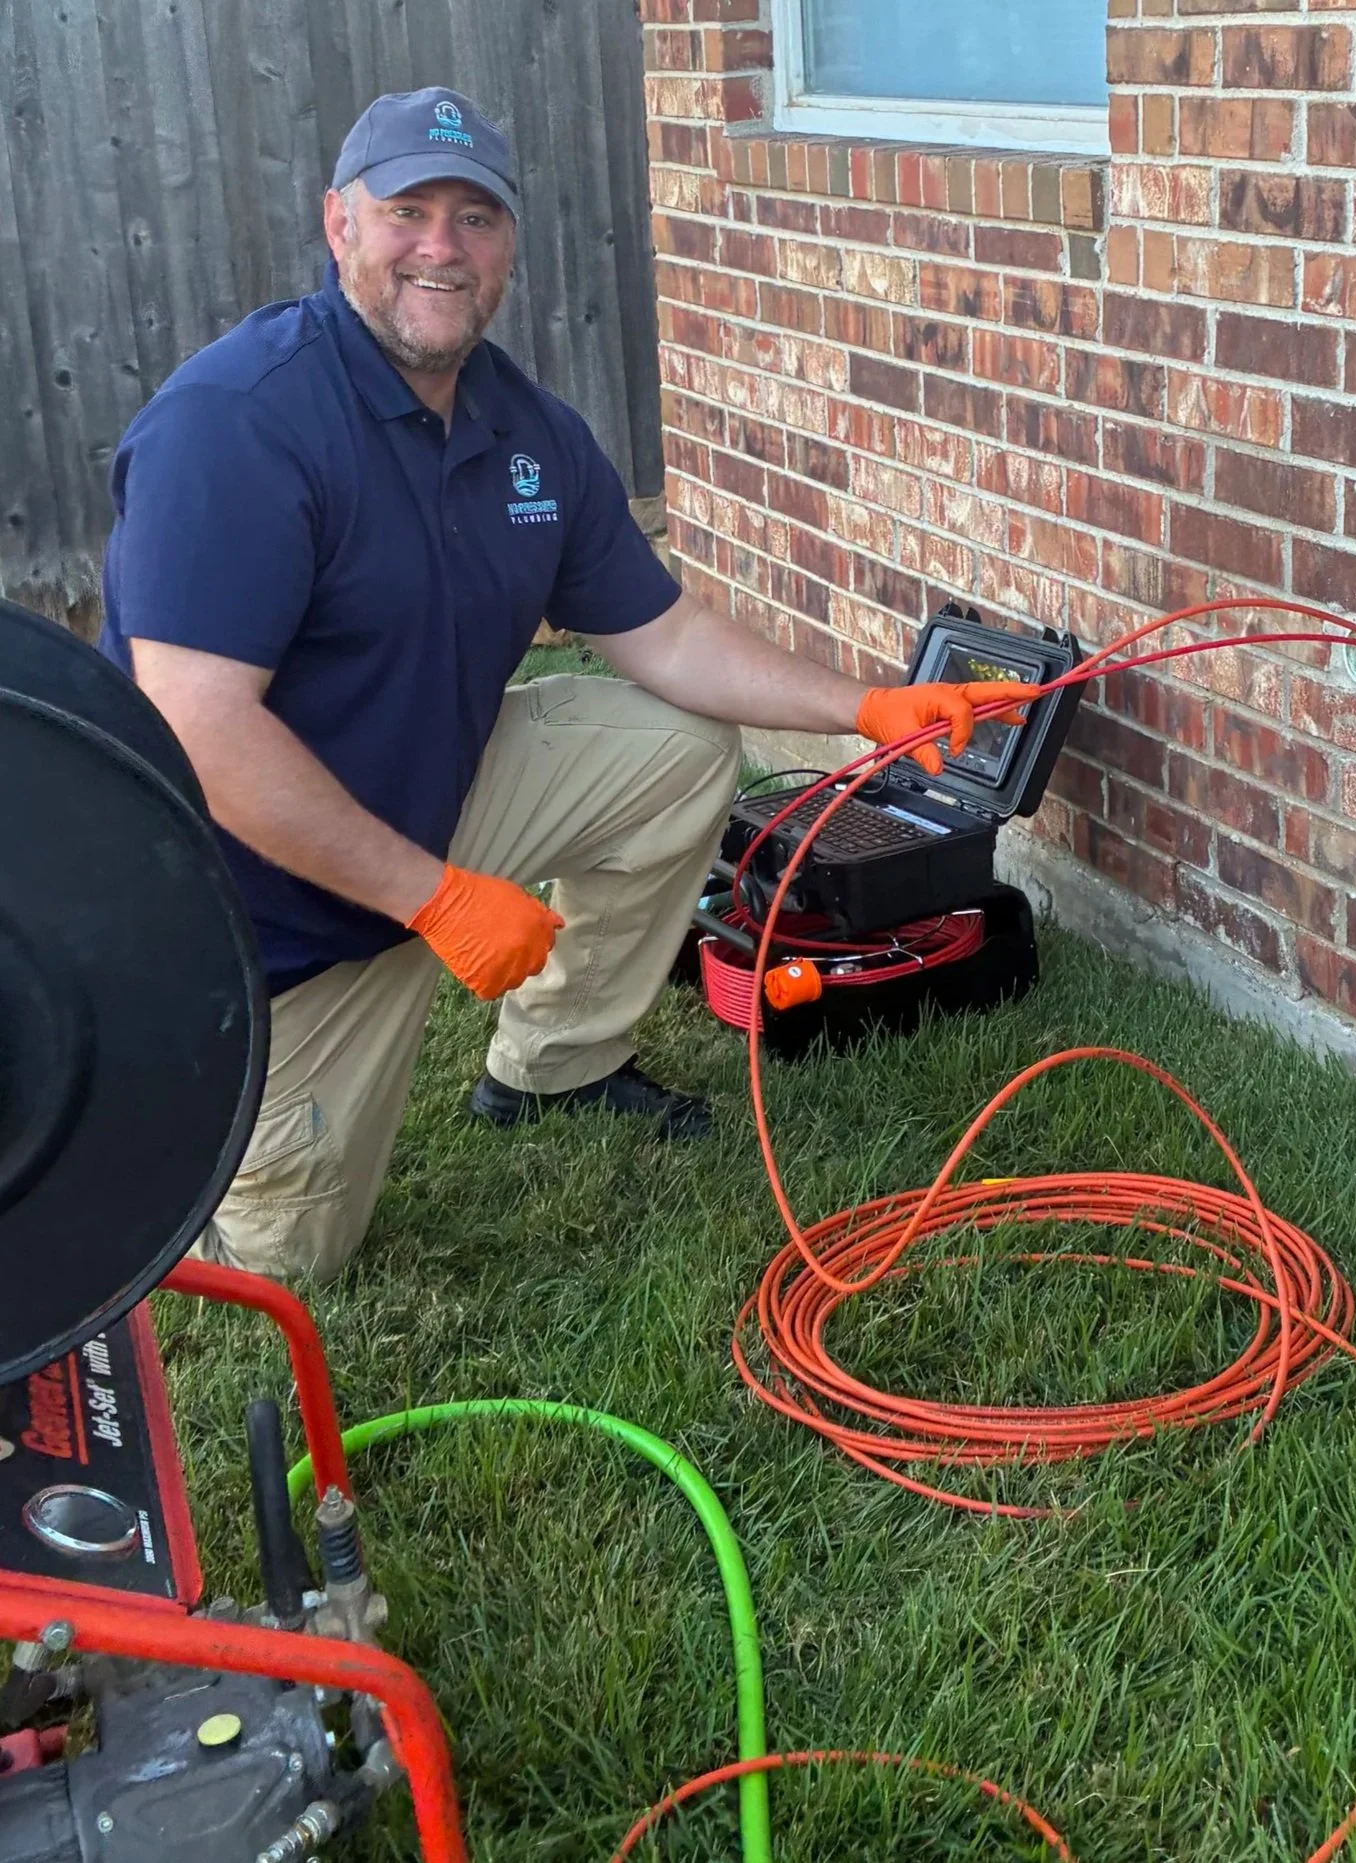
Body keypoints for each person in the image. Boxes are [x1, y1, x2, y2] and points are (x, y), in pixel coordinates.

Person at [98, 87, 1033, 1283]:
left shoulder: (524, 428)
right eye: (409, 212)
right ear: (340, 226)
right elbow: (200, 731)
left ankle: (556, 1069)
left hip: (426, 797)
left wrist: (865, 707)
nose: (443, 248)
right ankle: (207, 1107)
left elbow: (666, 637)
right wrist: (437, 901)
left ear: (511, 246)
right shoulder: (237, 425)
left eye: (476, 218)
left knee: (680, 739)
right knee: (291, 1264)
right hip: (263, 917)